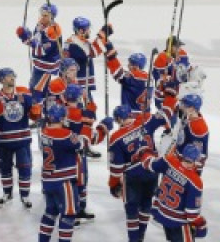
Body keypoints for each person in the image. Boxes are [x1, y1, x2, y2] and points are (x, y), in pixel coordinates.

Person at [108, 104, 169, 242]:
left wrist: (114, 184)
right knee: (146, 205)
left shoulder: (116, 137)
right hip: (152, 171)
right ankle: (141, 236)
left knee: (131, 210)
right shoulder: (145, 121)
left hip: (133, 175)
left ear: (118, 119)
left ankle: (134, 239)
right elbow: (164, 116)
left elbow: (116, 168)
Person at [0, 68, 41, 207]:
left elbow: (33, 116)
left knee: (25, 167)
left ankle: (25, 196)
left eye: (13, 76)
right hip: (3, 140)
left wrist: (36, 110)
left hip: (22, 140)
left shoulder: (23, 95)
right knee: (5, 168)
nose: (12, 78)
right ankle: (7, 193)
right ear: (2, 80)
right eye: (9, 77)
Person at [64, 84, 111, 224]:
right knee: (77, 182)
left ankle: (80, 209)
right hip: (75, 154)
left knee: (80, 181)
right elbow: (91, 132)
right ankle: (75, 211)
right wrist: (104, 127)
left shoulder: (63, 110)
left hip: (70, 152)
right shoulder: (78, 113)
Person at [141, 144, 207, 241]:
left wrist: (145, 153)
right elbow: (192, 215)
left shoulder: (169, 160)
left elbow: (150, 164)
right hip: (178, 222)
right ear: (195, 160)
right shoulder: (195, 182)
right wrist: (202, 226)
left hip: (162, 214)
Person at [38, 103, 82, 242]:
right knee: (68, 215)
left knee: (50, 212)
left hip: (48, 180)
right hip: (64, 182)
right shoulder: (66, 135)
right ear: (62, 118)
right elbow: (79, 144)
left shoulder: (43, 131)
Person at [16, 3, 62, 103]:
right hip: (39, 64)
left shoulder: (53, 31)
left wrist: (30, 42)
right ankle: (38, 108)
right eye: (42, 14)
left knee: (37, 90)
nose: (42, 17)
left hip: (47, 66)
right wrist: (25, 37)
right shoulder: (40, 25)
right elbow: (35, 41)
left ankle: (39, 110)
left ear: (52, 17)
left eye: (46, 15)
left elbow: (42, 51)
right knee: (34, 87)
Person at [62, 16, 109, 109]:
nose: (89, 31)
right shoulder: (73, 44)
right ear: (80, 31)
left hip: (81, 81)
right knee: (82, 106)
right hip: (78, 83)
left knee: (88, 105)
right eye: (87, 29)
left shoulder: (79, 41)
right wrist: (103, 34)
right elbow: (90, 53)